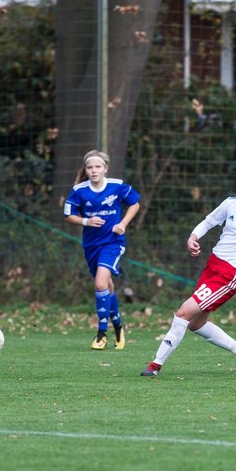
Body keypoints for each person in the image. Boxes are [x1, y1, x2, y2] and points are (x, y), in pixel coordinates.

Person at [142, 172, 236, 378]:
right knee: (196, 324)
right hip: (212, 267)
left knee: (182, 314)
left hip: (229, 277)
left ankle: (155, 365)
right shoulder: (230, 204)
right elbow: (208, 222)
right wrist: (193, 237)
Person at [64, 150, 141, 350]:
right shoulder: (79, 190)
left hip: (113, 243)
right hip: (91, 245)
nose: (94, 170)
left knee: (100, 284)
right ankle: (118, 326)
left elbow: (135, 204)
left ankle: (101, 333)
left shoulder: (116, 186)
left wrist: (123, 223)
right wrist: (86, 221)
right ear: (85, 170)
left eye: (98, 166)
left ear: (105, 168)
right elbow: (68, 215)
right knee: (107, 286)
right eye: (90, 167)